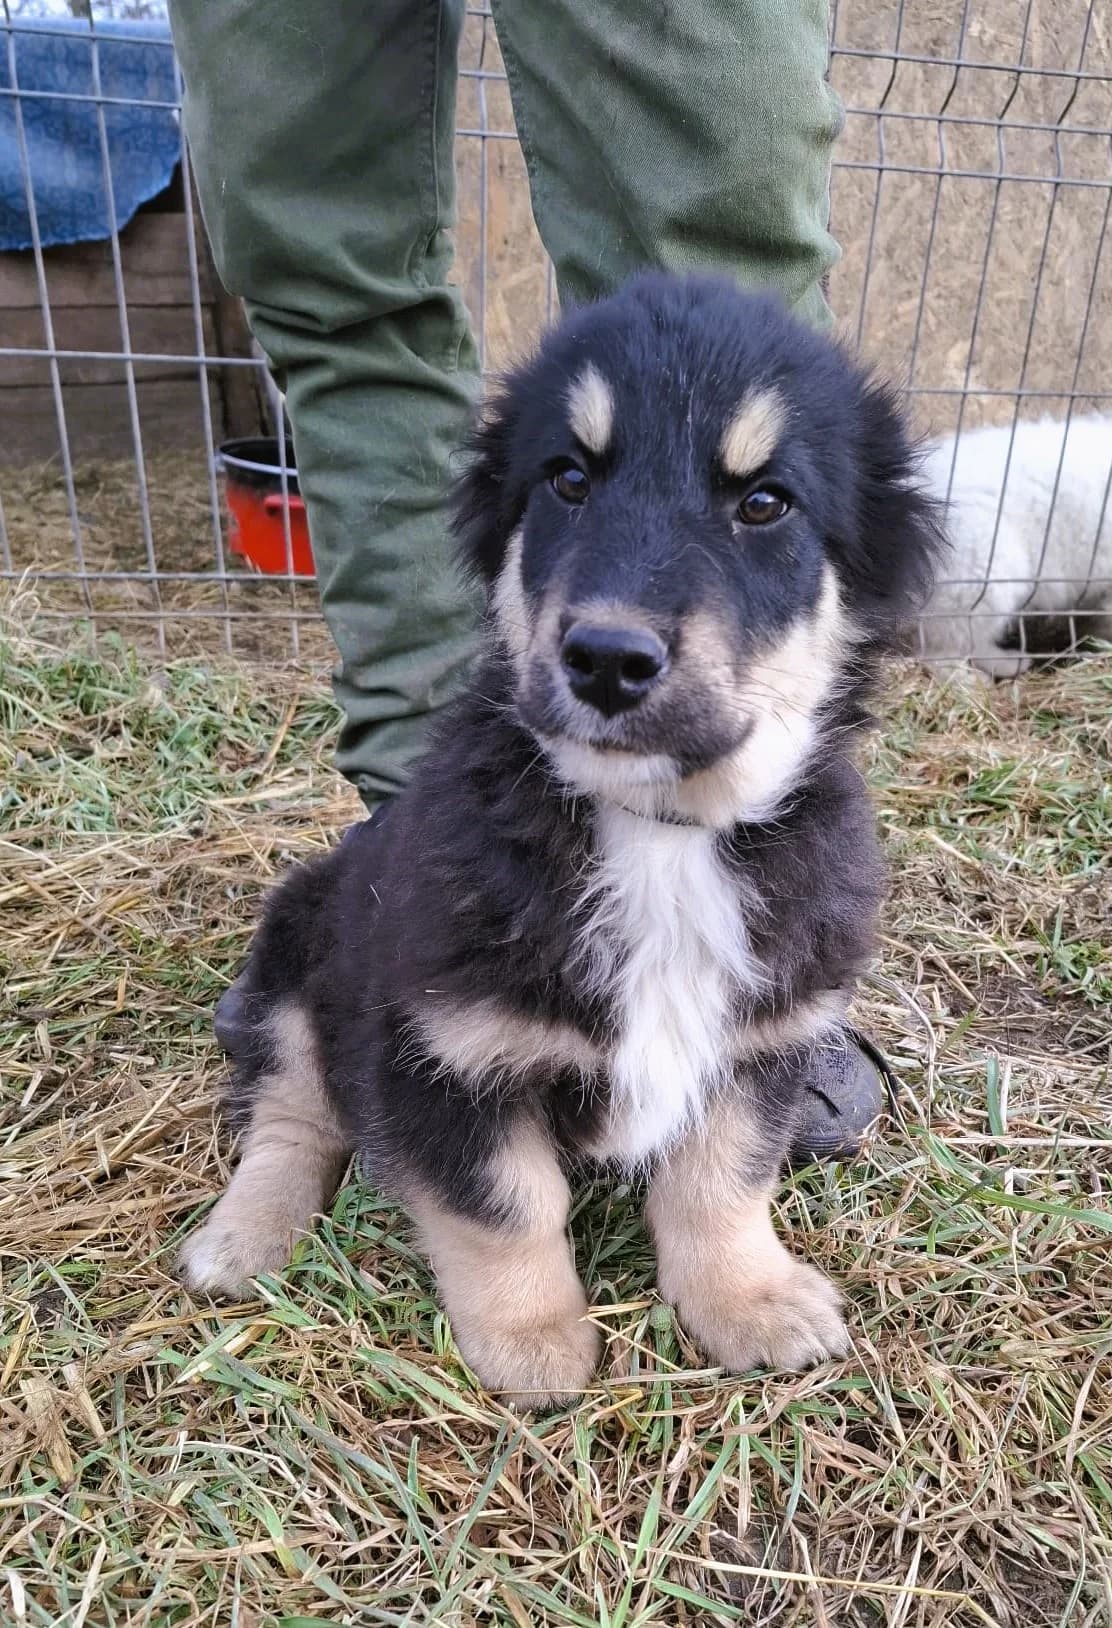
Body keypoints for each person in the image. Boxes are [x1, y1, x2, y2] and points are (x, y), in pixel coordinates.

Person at [167, 0, 890, 1163]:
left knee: (708, 212)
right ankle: (425, 885)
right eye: (564, 488)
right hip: (482, 841)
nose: (620, 612)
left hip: (763, 809)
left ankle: (740, 1006)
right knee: (329, 266)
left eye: (757, 506)